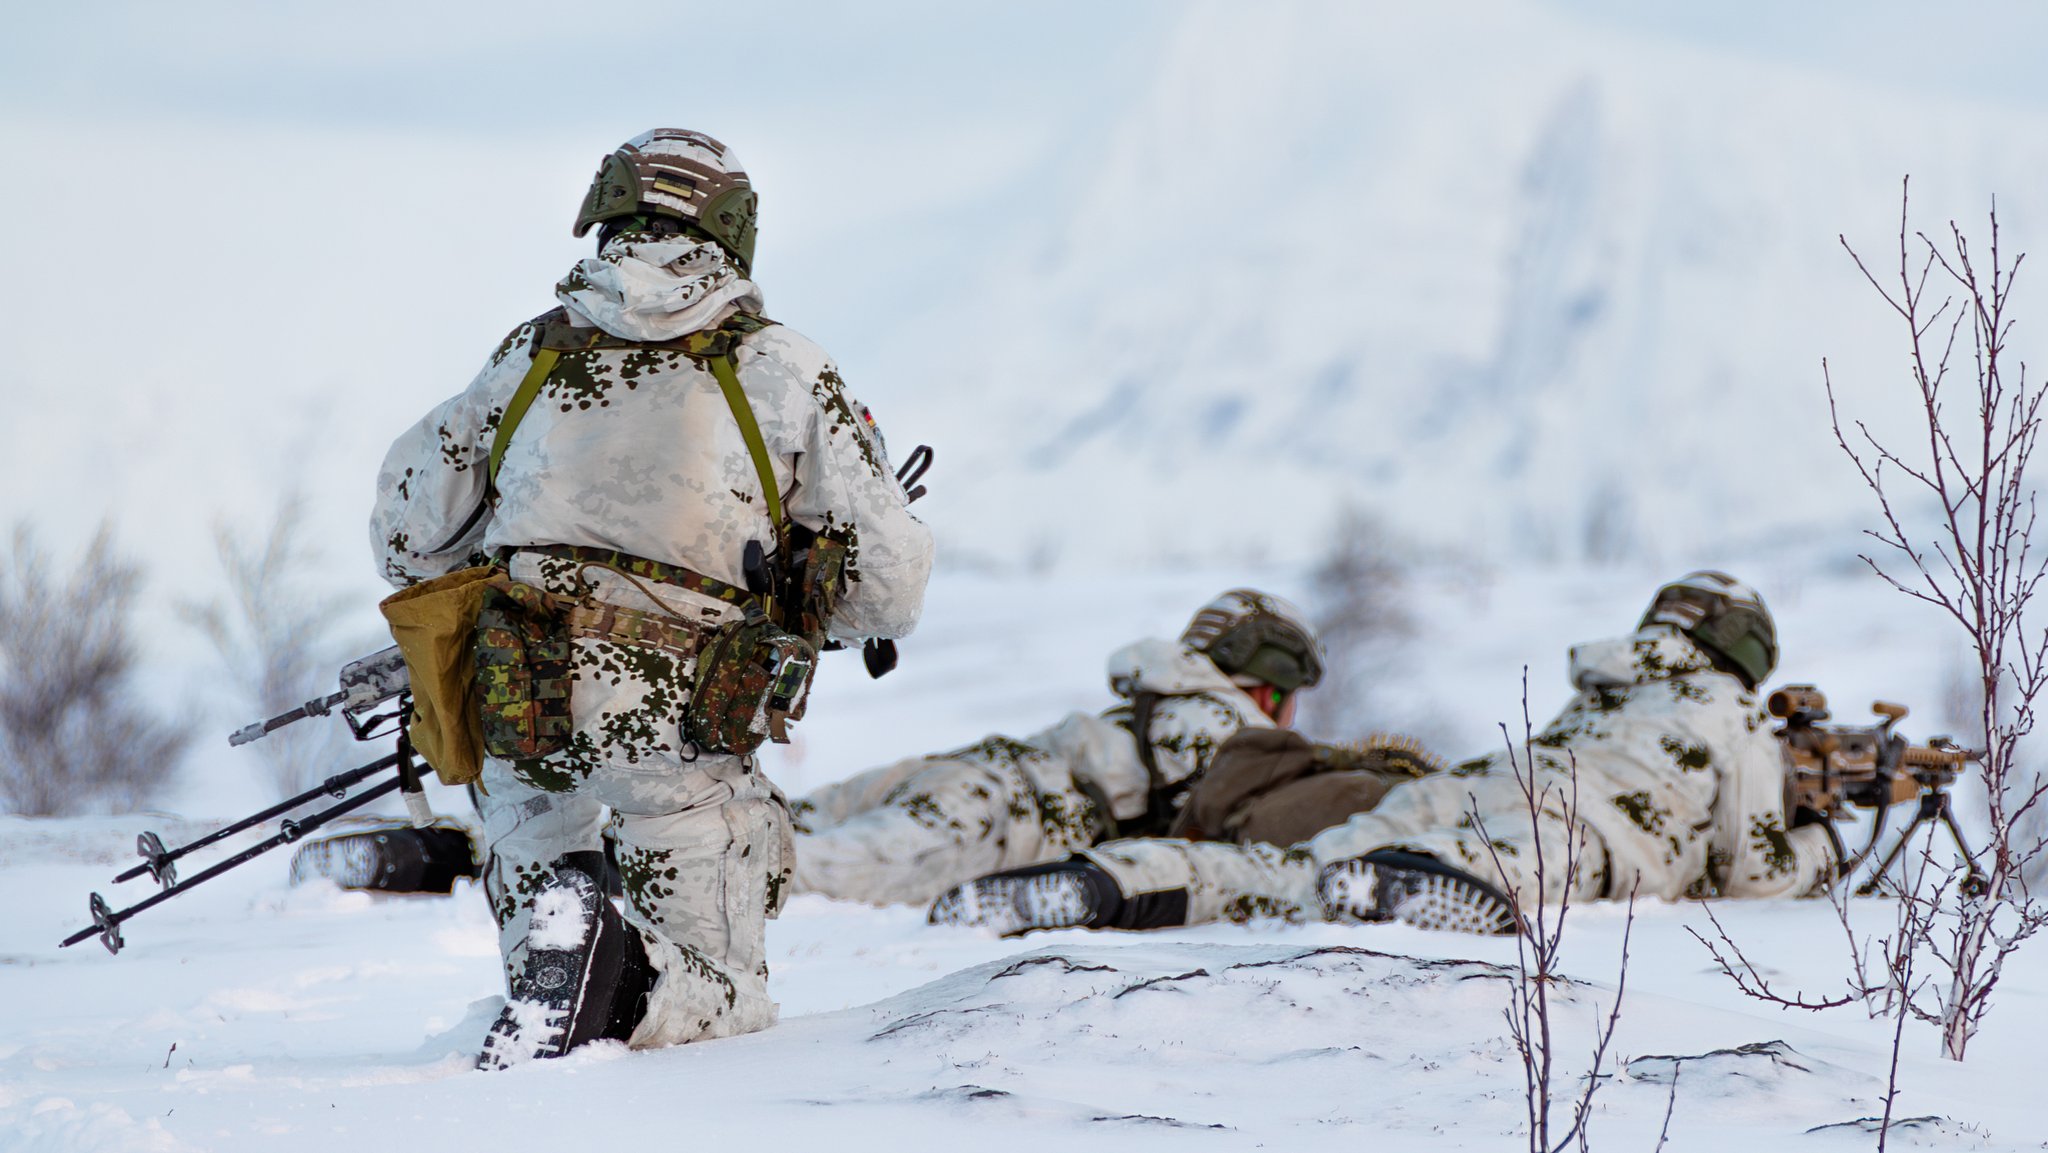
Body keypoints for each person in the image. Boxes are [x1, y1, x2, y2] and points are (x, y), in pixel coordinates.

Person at [368, 129, 932, 1067]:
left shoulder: (529, 353)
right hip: (680, 730)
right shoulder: (782, 367)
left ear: (608, 211)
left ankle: (572, 956)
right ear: (734, 228)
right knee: (719, 986)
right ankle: (620, 975)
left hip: (516, 708)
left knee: (558, 977)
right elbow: (890, 591)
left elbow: (405, 537)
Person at [933, 571, 1839, 936]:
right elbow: (1753, 872)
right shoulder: (1733, 714)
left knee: (1275, 867)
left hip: (1482, 778)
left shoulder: (1602, 694)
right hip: (1587, 831)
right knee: (1508, 867)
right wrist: (1826, 844)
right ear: (1748, 655)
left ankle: (1106, 881)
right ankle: (1402, 881)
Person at [793, 589, 1324, 909]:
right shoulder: (1223, 719)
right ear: (1271, 683)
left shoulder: (1164, 697)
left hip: (970, 775)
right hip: (1005, 816)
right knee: (804, 872)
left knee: (762, 828)